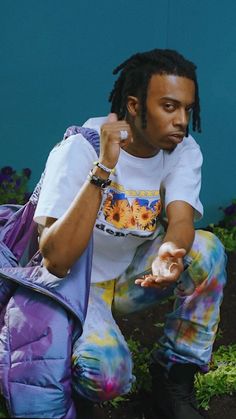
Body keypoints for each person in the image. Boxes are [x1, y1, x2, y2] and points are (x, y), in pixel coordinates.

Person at [32, 49, 226, 419]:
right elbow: (54, 259)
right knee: (107, 377)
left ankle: (173, 374)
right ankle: (77, 384)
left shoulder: (180, 150)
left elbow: (182, 220)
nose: (182, 121)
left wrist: (171, 251)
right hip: (78, 284)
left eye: (187, 109)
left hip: (131, 275)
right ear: (134, 106)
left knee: (208, 250)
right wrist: (105, 166)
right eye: (169, 107)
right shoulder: (79, 149)